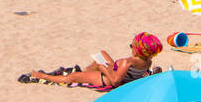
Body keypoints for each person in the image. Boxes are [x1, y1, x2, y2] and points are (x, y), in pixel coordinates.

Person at [20, 33, 161, 88]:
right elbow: (130, 74)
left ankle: (42, 75)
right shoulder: (148, 61)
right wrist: (111, 66)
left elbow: (116, 82)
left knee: (72, 77)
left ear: (137, 50)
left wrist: (104, 69)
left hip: (107, 79)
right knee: (102, 53)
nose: (131, 47)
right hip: (120, 73)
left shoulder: (127, 62)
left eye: (132, 46)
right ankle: (86, 73)